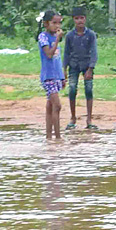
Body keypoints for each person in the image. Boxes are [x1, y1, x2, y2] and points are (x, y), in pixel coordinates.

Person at [63, 6, 98, 130]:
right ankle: (73, 118)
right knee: (72, 89)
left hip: (87, 65)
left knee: (89, 90)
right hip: (73, 65)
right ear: (73, 20)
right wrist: (64, 69)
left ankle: (89, 119)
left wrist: (91, 69)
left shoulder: (91, 35)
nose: (79, 21)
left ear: (85, 19)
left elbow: (94, 53)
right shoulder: (69, 36)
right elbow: (66, 53)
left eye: (81, 18)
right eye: (77, 18)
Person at [38, 10, 66, 140]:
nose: (57, 26)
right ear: (46, 24)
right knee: (57, 106)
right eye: (54, 23)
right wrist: (57, 40)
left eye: (59, 23)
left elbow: (58, 59)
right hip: (48, 77)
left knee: (50, 106)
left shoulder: (55, 37)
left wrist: (62, 77)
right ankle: (58, 137)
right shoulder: (43, 37)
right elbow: (49, 54)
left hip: (56, 76)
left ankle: (49, 137)